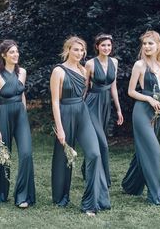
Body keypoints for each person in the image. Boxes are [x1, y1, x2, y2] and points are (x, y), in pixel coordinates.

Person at [50, 36, 111, 216]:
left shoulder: (84, 71)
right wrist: (60, 128)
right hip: (65, 112)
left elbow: (83, 95)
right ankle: (60, 196)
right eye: (75, 49)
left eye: (82, 50)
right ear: (68, 49)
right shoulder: (58, 71)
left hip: (82, 112)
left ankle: (90, 202)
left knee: (94, 153)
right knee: (63, 157)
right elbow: (55, 102)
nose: (79, 53)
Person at [121, 31, 160, 205]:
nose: (147, 47)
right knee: (153, 150)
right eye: (144, 44)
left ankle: (130, 185)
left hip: (158, 112)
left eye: (151, 43)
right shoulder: (139, 65)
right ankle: (156, 195)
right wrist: (149, 98)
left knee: (142, 150)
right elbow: (131, 91)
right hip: (142, 111)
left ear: (158, 45)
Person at [0, 40, 36, 208]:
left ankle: (23, 196)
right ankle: (1, 193)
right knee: (3, 156)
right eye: (11, 52)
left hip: (20, 115)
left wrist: (24, 115)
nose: (16, 55)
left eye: (17, 51)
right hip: (3, 115)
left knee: (26, 154)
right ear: (4, 55)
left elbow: (22, 94)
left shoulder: (22, 72)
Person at [81, 33, 124, 187]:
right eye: (103, 45)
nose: (106, 48)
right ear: (97, 46)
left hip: (106, 104)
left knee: (98, 140)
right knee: (103, 144)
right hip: (92, 103)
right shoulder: (90, 64)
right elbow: (84, 88)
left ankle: (86, 170)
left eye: (109, 45)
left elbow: (113, 87)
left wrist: (118, 109)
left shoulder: (115, 62)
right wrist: (80, 106)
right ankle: (104, 179)